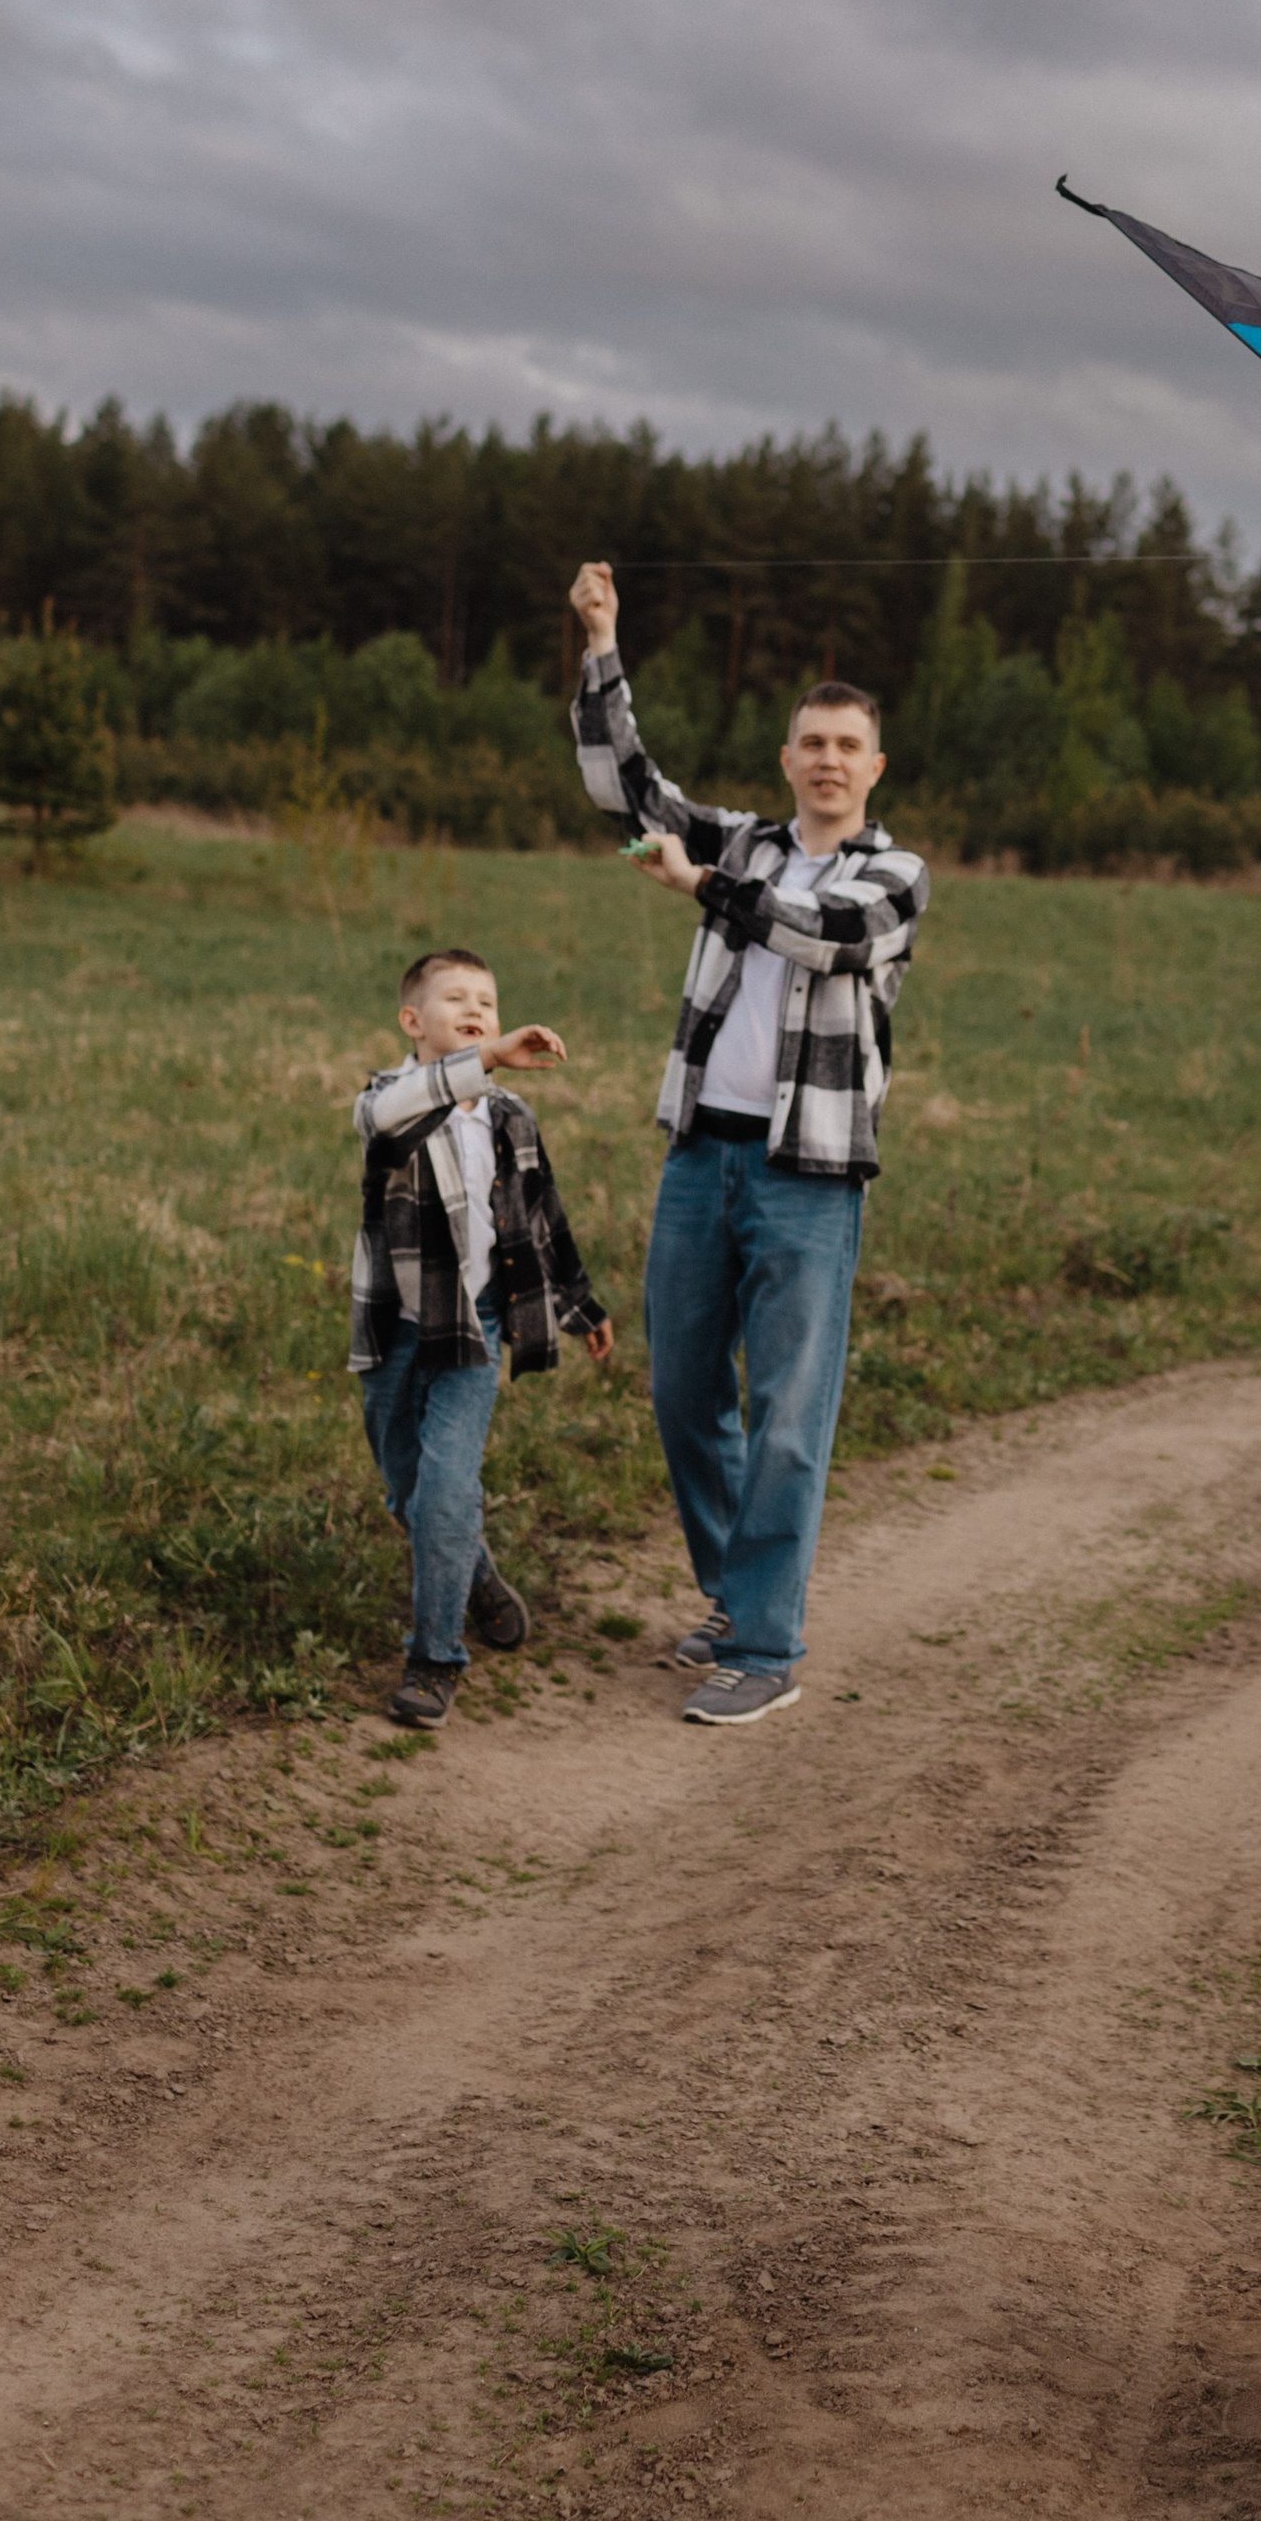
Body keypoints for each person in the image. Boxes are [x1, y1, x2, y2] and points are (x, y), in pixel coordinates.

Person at [566, 563, 929, 1727]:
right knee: (682, 1390)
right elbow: (628, 795)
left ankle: (767, 1644)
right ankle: (734, 1592)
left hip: (807, 1172)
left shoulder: (892, 877)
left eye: (847, 745)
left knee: (785, 1406)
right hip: (700, 1156)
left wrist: (704, 887)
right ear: (787, 758)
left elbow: (822, 936)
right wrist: (602, 642)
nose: (826, 759)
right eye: (809, 741)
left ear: (873, 767)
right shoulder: (747, 843)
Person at [350, 948, 616, 1731]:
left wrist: (580, 1301)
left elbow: (543, 1217)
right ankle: (474, 1573)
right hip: (396, 1327)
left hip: (477, 1329)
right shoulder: (387, 1100)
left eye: (488, 1003)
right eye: (456, 998)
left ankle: (435, 1658)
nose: (476, 1010)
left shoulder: (511, 1118)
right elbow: (392, 1115)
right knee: (408, 1490)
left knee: (445, 1492)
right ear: (412, 1022)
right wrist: (488, 1058)